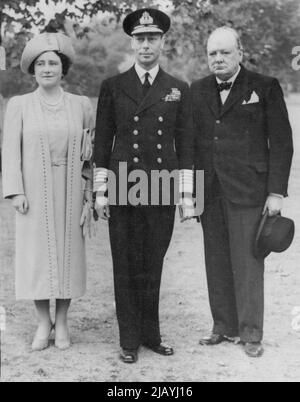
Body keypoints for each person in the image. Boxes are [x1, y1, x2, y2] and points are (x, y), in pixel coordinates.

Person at [93, 8, 194, 363]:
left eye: (153, 38)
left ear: (162, 42)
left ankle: (151, 335)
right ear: (132, 43)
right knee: (125, 263)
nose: (146, 45)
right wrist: (100, 192)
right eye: (140, 39)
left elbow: (186, 145)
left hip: (161, 187)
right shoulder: (113, 86)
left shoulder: (178, 89)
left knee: (153, 263)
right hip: (123, 187)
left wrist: (185, 195)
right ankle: (129, 340)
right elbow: (102, 143)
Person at [191, 27, 293, 358]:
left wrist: (276, 192)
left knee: (248, 263)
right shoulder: (198, 90)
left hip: (249, 190)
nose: (217, 59)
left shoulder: (264, 87)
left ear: (240, 53)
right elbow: (191, 144)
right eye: (212, 54)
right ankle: (223, 326)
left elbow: (281, 142)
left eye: (224, 52)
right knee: (216, 260)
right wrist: (190, 194)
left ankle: (251, 333)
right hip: (210, 191)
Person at [1, 32, 94, 351]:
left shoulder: (80, 105)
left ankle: (63, 321)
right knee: (37, 258)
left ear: (63, 68)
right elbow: (9, 150)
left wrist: (90, 193)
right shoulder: (20, 105)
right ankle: (43, 322)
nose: (47, 68)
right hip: (33, 193)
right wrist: (15, 191)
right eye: (40, 63)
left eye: (53, 62)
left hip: (71, 190)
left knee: (69, 255)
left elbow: (89, 153)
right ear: (33, 69)